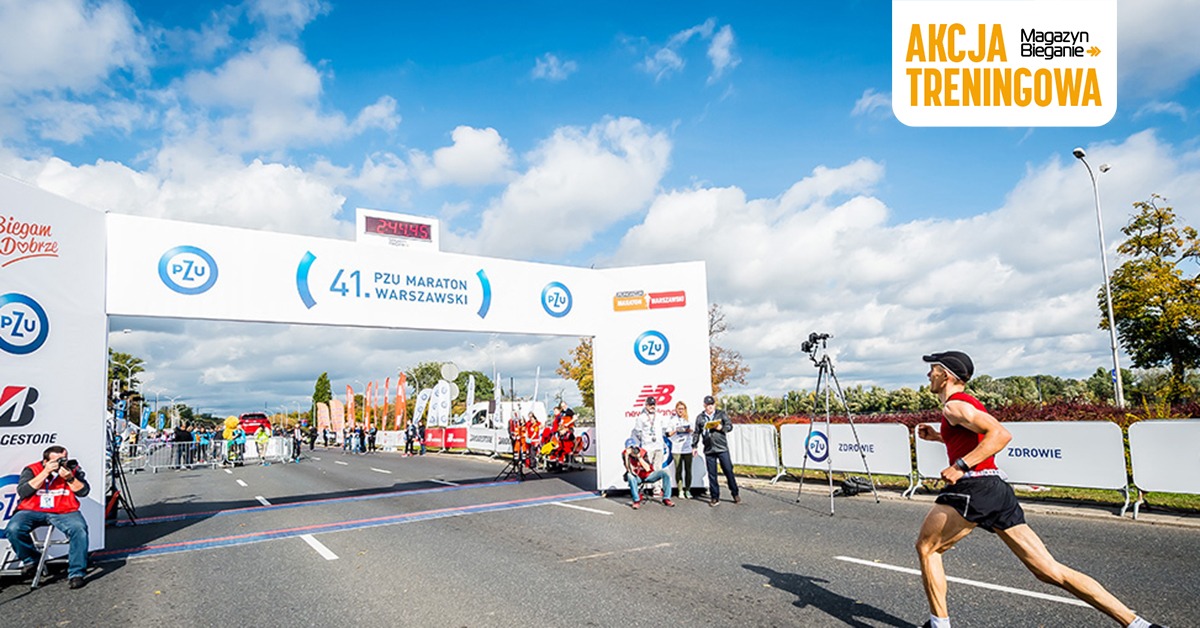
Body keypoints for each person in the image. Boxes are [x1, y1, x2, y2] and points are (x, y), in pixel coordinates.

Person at [914, 351, 1164, 628]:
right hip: (995, 489)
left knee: (928, 548)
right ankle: (1139, 624)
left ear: (946, 375)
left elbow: (1001, 435)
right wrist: (939, 437)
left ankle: (939, 625)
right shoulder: (965, 404)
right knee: (1048, 570)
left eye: (933, 369)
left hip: (974, 487)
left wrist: (960, 465)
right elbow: (977, 437)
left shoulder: (954, 406)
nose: (928, 374)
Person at [5, 446, 91, 589]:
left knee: (79, 529)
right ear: (45, 461)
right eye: (57, 461)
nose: (61, 463)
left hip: (63, 509)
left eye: (64, 459)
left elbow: (83, 492)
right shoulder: (32, 469)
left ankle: (76, 573)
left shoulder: (72, 469)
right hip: (32, 509)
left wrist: (70, 478)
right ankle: (31, 560)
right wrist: (45, 472)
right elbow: (23, 492)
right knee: (13, 529)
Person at [694, 395, 739, 506]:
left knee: (728, 470)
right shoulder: (700, 417)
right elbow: (696, 432)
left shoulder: (721, 414)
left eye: (712, 404)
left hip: (721, 447)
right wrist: (694, 446)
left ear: (714, 405)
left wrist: (721, 428)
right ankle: (714, 497)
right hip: (709, 448)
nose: (710, 407)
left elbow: (729, 426)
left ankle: (735, 493)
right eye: (707, 405)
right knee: (712, 474)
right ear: (704, 405)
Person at [630, 396, 668, 495]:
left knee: (658, 468)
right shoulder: (641, 417)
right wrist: (645, 440)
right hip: (647, 447)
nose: (652, 406)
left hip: (658, 446)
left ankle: (657, 489)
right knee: (646, 468)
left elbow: (664, 430)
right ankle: (644, 489)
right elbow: (638, 432)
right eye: (650, 404)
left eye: (653, 404)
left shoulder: (659, 416)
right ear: (646, 405)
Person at [623, 438, 674, 509]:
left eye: (633, 448)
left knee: (665, 473)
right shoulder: (625, 454)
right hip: (637, 477)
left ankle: (666, 498)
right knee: (629, 475)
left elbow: (647, 468)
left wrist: (639, 457)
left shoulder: (643, 452)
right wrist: (626, 456)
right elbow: (629, 470)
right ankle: (636, 500)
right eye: (630, 448)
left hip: (648, 475)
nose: (632, 451)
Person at [667, 401, 695, 499]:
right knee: (678, 470)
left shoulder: (689, 420)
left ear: (685, 410)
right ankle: (680, 490)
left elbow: (694, 432)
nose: (680, 411)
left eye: (682, 409)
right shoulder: (672, 420)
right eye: (679, 409)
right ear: (676, 410)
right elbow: (668, 434)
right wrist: (676, 430)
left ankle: (688, 490)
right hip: (677, 448)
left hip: (687, 448)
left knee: (688, 470)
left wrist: (689, 430)